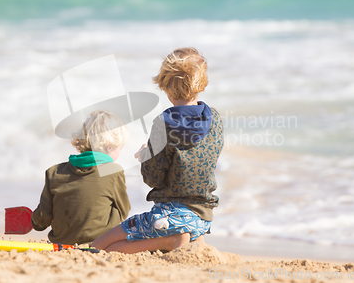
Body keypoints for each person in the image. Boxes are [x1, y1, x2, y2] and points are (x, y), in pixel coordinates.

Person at [92, 47, 224, 253]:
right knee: (174, 228)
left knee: (102, 245)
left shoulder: (163, 123)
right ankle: (189, 238)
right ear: (202, 83)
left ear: (166, 87)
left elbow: (153, 178)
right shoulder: (214, 118)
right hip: (203, 219)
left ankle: (171, 241)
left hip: (169, 218)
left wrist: (147, 155)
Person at [31, 110, 131, 245]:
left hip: (60, 243)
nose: (120, 152)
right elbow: (124, 211)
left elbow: (41, 223)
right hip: (98, 243)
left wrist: (35, 219)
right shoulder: (113, 171)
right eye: (120, 148)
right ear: (109, 147)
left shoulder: (54, 172)